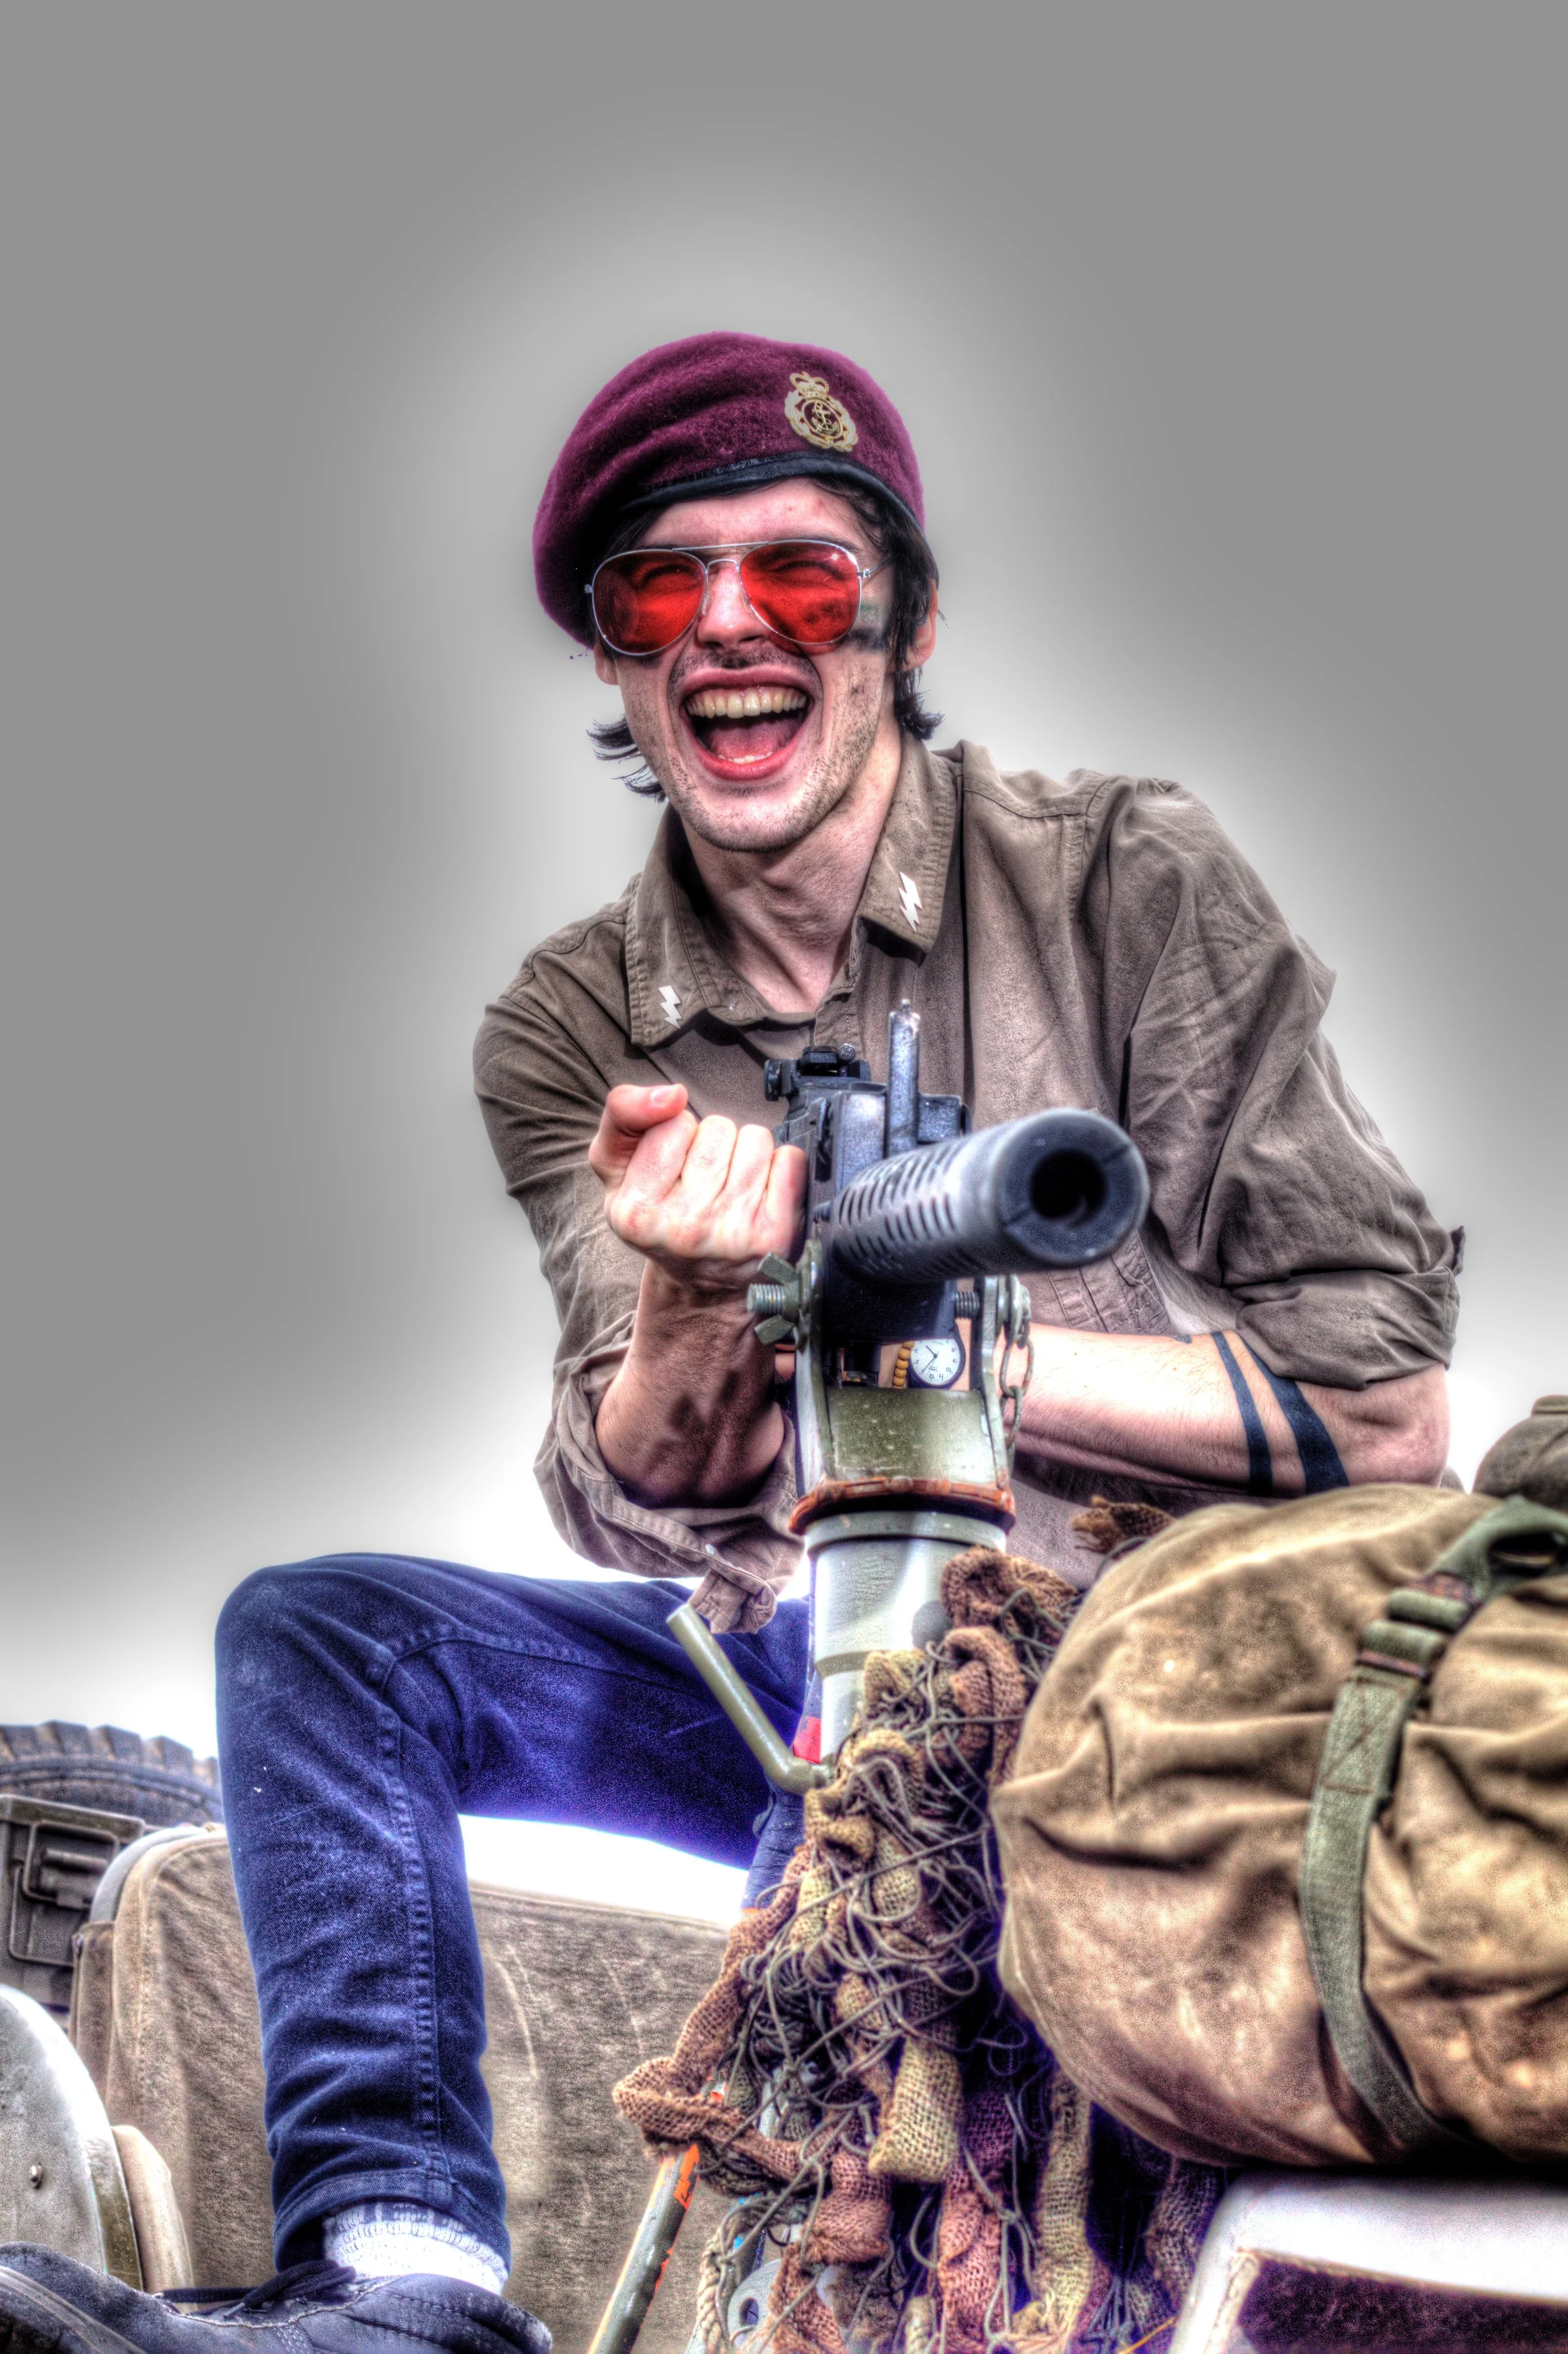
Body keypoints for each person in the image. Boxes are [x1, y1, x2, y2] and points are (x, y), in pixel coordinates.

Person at [0, 334, 1459, 2354]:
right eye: (659, 591)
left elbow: (1381, 1410)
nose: (728, 633)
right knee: (327, 1632)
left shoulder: (1129, 885)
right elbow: (661, 1484)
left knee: (872, 1833)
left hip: (1151, 1681)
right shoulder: (575, 1017)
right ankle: (403, 2284)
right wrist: (696, 1280)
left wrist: (972, 1366)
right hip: (786, 1658)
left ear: (902, 619)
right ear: (613, 660)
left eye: (798, 578)